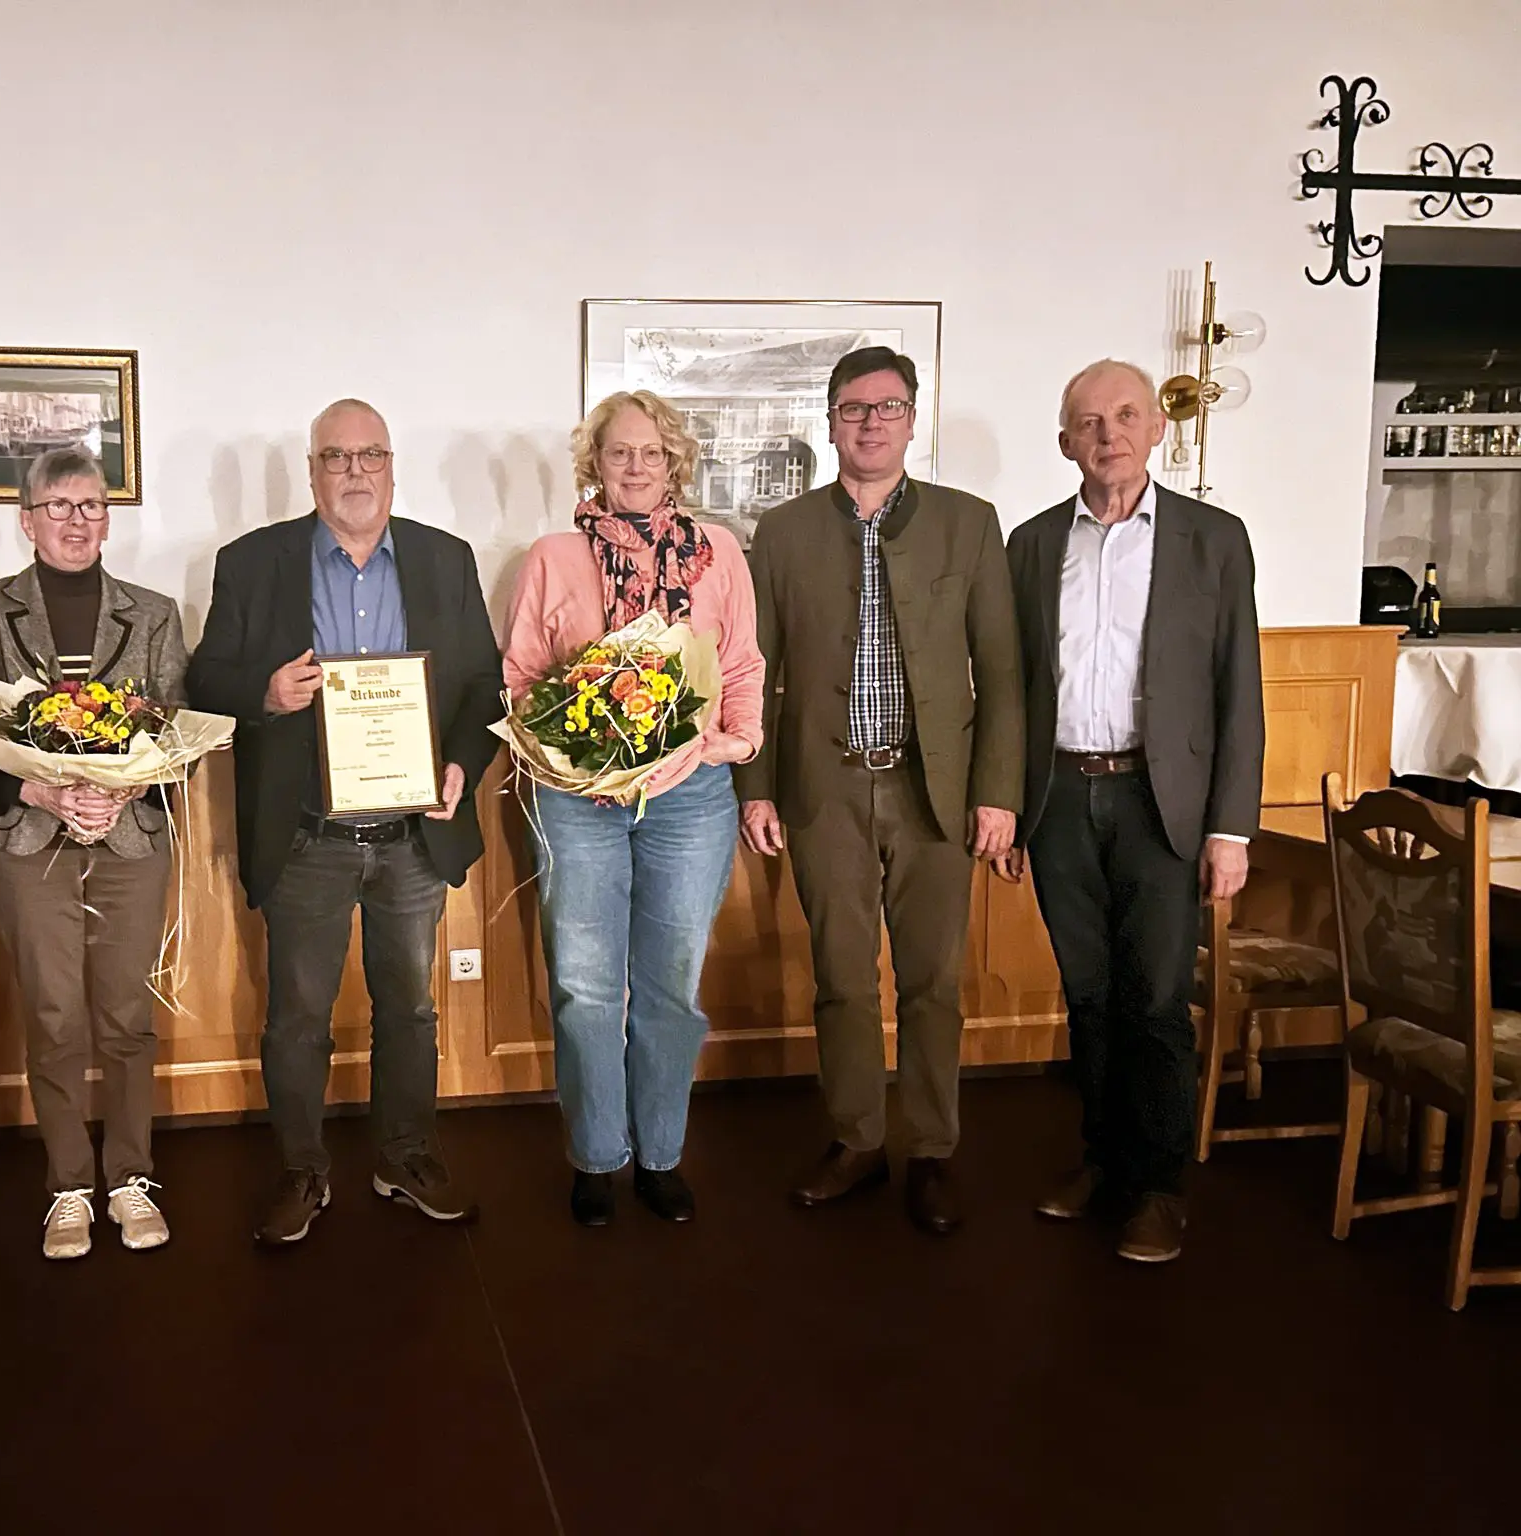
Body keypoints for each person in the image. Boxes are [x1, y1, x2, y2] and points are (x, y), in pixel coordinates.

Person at [186, 399, 504, 1244]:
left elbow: (484, 686)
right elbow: (203, 677)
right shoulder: (253, 563)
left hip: (411, 835)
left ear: (393, 467)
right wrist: (265, 690)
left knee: (411, 1011)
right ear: (312, 470)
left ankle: (406, 1156)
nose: (355, 471)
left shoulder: (444, 558)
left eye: (370, 456)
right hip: (307, 835)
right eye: (337, 457)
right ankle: (301, 1169)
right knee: (297, 1015)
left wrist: (462, 767)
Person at [736, 346, 1023, 1236]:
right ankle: (857, 1140)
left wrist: (998, 792)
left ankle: (933, 1149)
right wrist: (756, 787)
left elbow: (1003, 673)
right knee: (842, 981)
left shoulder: (970, 524)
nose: (871, 422)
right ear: (831, 421)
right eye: (854, 408)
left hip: (934, 791)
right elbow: (755, 670)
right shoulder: (781, 534)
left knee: (935, 981)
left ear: (912, 419)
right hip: (823, 791)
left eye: (888, 407)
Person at [994, 359, 1263, 1264]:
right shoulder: (1030, 545)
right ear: (1064, 441)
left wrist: (1231, 828)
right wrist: (1006, 803)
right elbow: (1013, 690)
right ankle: (1102, 1162)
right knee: (1090, 995)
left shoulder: (1212, 539)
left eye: (1125, 416)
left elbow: (1240, 692)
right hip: (1061, 797)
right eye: (1087, 421)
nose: (1107, 433)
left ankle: (1157, 1187)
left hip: (1163, 801)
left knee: (1153, 1002)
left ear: (1157, 429)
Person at [502, 391, 765, 1226]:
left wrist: (735, 742)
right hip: (578, 803)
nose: (637, 467)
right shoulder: (550, 556)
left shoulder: (719, 552)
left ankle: (659, 1153)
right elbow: (519, 679)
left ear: (675, 462)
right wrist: (564, 759)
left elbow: (742, 664)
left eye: (652, 453)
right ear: (596, 465)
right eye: (620, 454)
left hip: (691, 801)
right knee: (584, 988)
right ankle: (596, 1155)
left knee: (670, 988)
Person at [0, 446, 188, 1262]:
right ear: (26, 520)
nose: (77, 521)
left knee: (125, 1015)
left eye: (91, 506)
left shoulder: (153, 614)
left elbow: (176, 737)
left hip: (130, 835)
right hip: (26, 838)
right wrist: (44, 794)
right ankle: (68, 1187)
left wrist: (122, 790)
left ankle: (129, 1176)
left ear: (108, 519)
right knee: (53, 1014)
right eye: (59, 507)